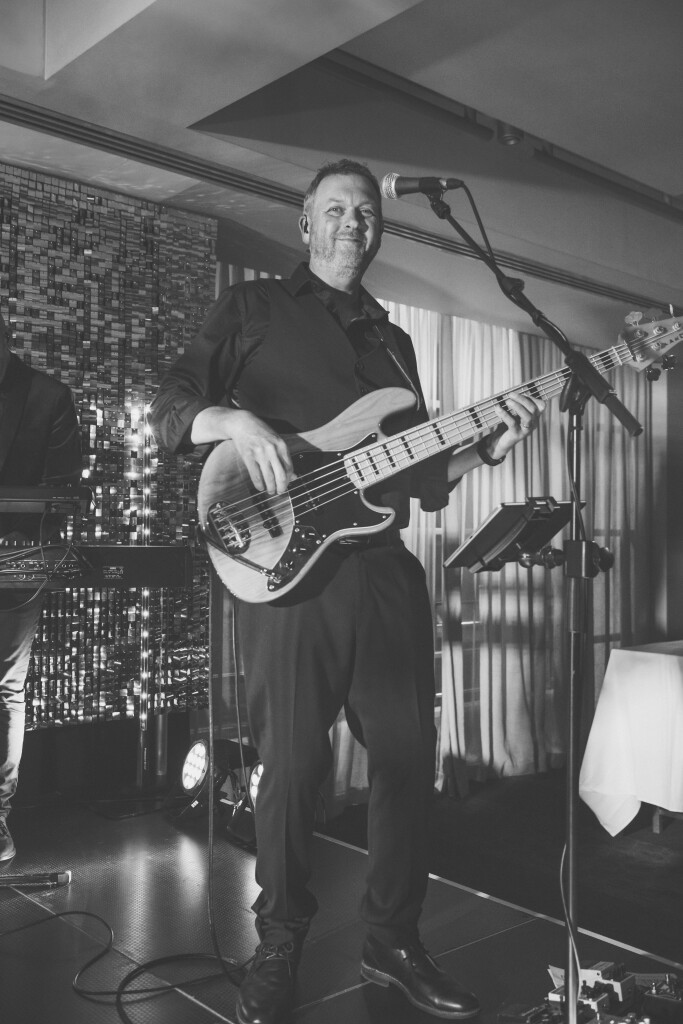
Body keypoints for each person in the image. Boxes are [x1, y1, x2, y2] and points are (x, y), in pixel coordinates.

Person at [148, 158, 544, 1024]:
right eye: (334, 209)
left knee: (404, 761)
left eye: (364, 212)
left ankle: (391, 941)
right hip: (286, 574)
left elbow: (419, 479)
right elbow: (171, 403)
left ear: (378, 230)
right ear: (305, 224)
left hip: (383, 571)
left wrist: (483, 450)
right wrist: (233, 420)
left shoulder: (392, 344)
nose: (351, 223)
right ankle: (279, 939)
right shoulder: (252, 308)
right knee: (293, 770)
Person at [0, 312, 82, 862]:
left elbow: (65, 487)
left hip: (15, 562)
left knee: (5, 689)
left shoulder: (48, 396)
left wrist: (22, 533)